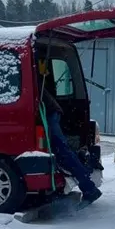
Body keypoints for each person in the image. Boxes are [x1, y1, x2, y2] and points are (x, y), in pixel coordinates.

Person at [39, 63, 102, 206]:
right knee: (62, 152)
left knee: (63, 151)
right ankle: (84, 178)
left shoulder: (33, 73)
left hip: (50, 113)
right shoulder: (36, 71)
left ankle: (88, 186)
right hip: (51, 111)